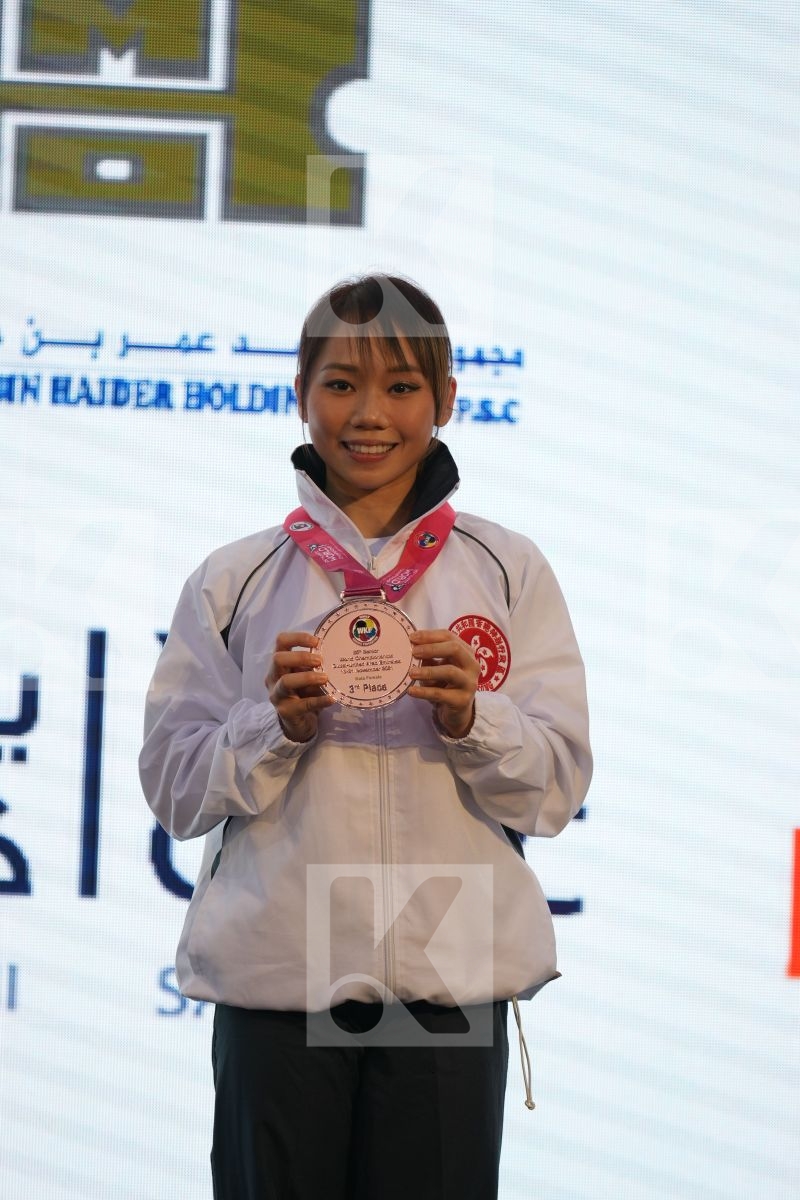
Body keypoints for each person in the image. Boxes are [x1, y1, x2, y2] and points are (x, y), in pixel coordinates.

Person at [139, 274, 592, 1200]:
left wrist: (476, 721)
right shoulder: (235, 580)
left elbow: (556, 790)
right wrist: (275, 726)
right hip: (279, 975)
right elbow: (175, 790)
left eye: (401, 386)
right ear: (300, 395)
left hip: (449, 976)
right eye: (341, 384)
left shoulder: (508, 569)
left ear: (447, 400)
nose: (369, 414)